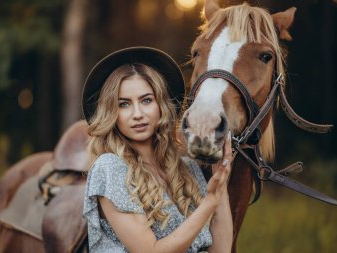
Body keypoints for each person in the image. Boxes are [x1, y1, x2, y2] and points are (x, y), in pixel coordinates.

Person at [82, 47, 233, 253]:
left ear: (161, 104)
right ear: (111, 113)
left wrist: (220, 185)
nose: (137, 114)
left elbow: (221, 251)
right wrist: (209, 202)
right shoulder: (110, 168)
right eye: (124, 104)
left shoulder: (188, 169)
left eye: (146, 100)